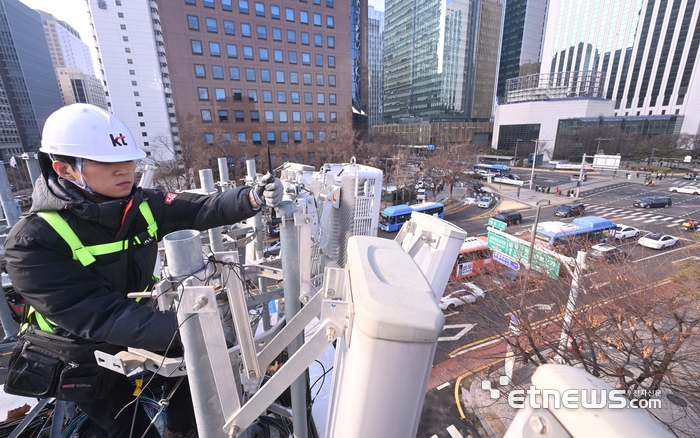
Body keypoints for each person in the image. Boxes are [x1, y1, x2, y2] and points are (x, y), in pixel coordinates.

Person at [4, 104, 283, 438]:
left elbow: (199, 208)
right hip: (77, 349)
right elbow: (99, 315)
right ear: (65, 169)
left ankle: (187, 428)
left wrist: (250, 197)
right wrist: (191, 331)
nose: (126, 171)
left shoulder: (139, 205)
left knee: (194, 392)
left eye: (129, 160)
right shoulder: (32, 241)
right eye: (109, 163)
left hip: (139, 323)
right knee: (129, 425)